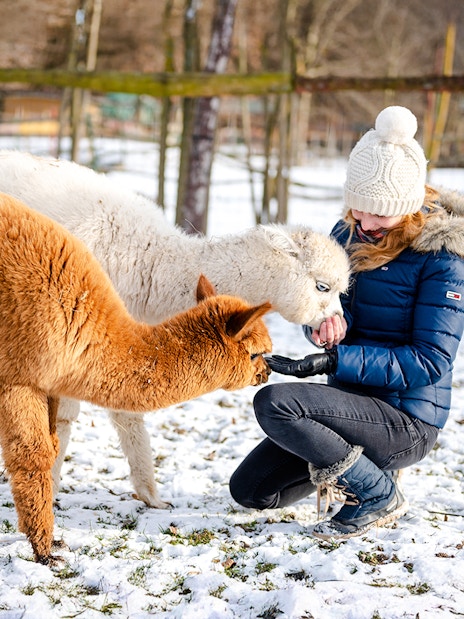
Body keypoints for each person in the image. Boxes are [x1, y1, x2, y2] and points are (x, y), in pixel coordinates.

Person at [229, 105, 464, 540]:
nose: (366, 222)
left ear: (408, 206)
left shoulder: (442, 259)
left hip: (405, 420)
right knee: (251, 491)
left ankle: (377, 493)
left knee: (276, 404)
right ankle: (363, 473)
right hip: (348, 405)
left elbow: (431, 361)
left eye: (380, 213)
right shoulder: (346, 235)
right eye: (358, 208)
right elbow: (330, 307)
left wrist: (334, 362)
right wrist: (323, 327)